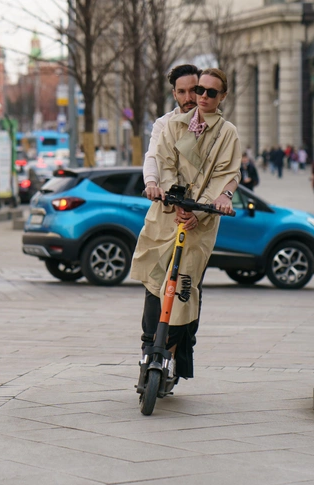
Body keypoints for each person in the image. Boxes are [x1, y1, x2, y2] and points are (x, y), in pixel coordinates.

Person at [131, 67, 241, 380]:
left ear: (220, 95)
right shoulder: (169, 124)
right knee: (155, 282)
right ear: (175, 93)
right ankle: (148, 347)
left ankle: (178, 352)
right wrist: (160, 188)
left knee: (186, 288)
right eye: (188, 92)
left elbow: (227, 174)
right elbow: (157, 158)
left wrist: (201, 210)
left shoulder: (226, 132)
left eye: (204, 91)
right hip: (166, 214)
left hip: (198, 221)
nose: (196, 97)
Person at [143, 65, 202, 201]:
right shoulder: (164, 124)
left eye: (193, 90)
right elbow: (153, 155)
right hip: (170, 202)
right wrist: (151, 183)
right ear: (174, 94)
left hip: (203, 207)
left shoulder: (216, 126)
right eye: (181, 92)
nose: (188, 98)